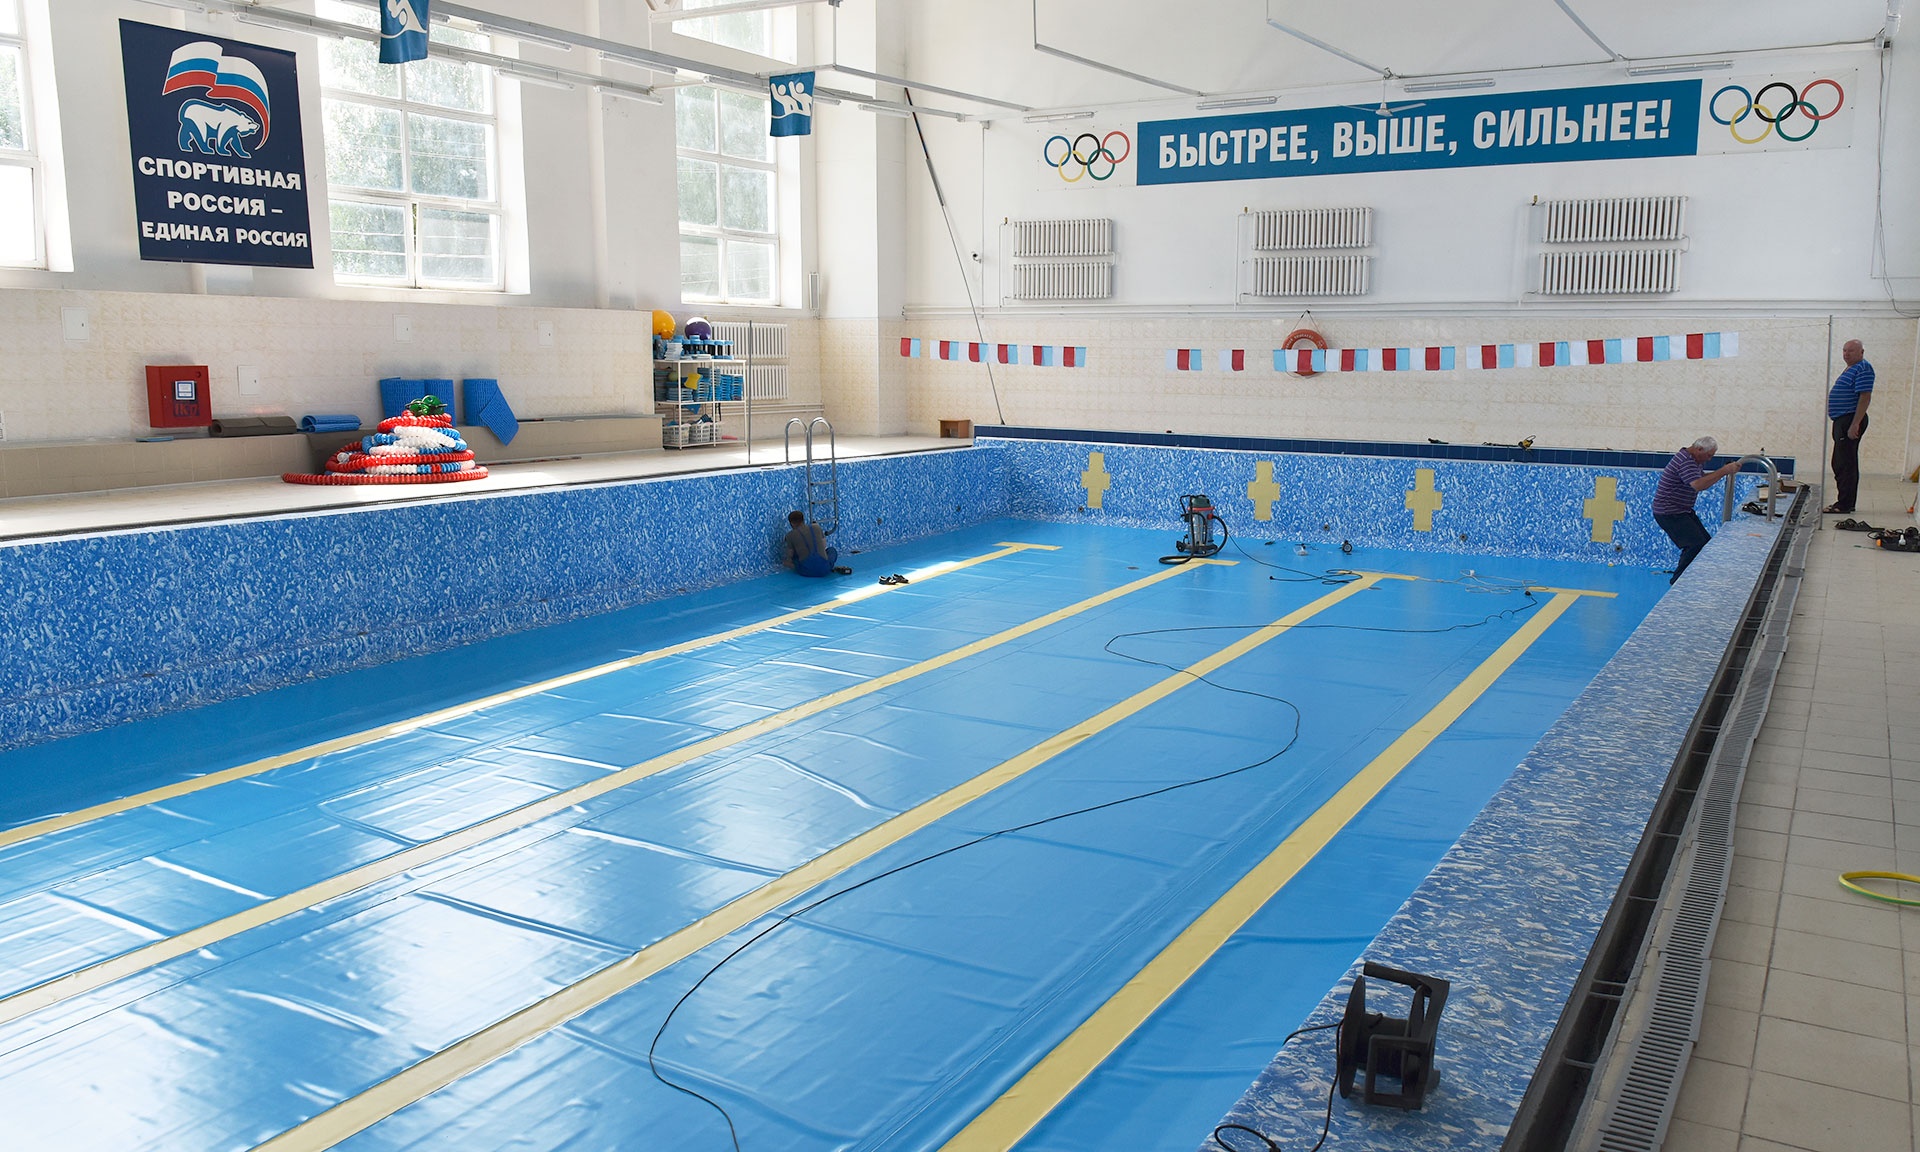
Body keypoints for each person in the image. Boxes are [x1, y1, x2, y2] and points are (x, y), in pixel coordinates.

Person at [1652, 436, 1743, 585]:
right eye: (1708, 455)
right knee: (1694, 545)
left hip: (1682, 510)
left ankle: (1690, 579)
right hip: (1669, 512)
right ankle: (1678, 582)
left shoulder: (1693, 459)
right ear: (1699, 449)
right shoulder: (1685, 461)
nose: (1709, 459)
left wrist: (1723, 472)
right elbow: (1699, 485)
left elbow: (1702, 479)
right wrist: (1724, 470)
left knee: (1705, 543)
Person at [1824, 339, 1874, 514]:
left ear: (1861, 352)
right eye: (1844, 350)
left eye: (1851, 351)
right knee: (1842, 462)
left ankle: (1844, 504)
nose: (1846, 354)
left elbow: (1865, 397)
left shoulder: (1863, 368)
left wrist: (1855, 423)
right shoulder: (1851, 368)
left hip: (1850, 419)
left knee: (1844, 463)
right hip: (1843, 420)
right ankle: (1846, 502)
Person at [782, 510, 840, 577]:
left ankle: (793, 565)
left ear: (791, 523)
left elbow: (790, 555)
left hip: (805, 571)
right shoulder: (816, 527)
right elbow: (824, 545)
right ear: (803, 520)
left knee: (795, 558)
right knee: (832, 550)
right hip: (824, 569)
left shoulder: (789, 535)